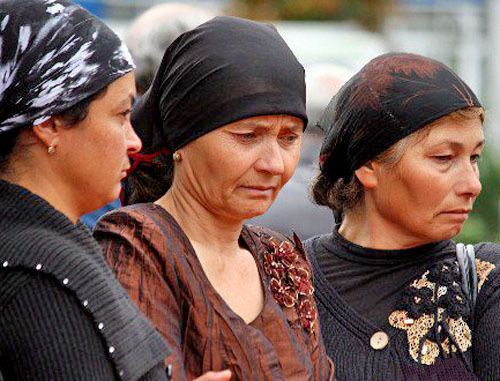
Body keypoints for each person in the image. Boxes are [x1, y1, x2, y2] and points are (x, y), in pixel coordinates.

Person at [94, 16, 334, 381]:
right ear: (182, 138)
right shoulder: (138, 248)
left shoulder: (279, 258)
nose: (274, 164)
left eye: (289, 138)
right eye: (248, 135)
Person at [0, 1, 170, 380]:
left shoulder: (54, 237)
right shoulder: (35, 275)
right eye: (121, 115)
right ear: (51, 122)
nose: (135, 141)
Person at [305, 52, 500, 380]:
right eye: (443, 157)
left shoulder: (486, 282)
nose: (473, 184)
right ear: (367, 165)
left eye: (474, 157)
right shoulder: (286, 281)